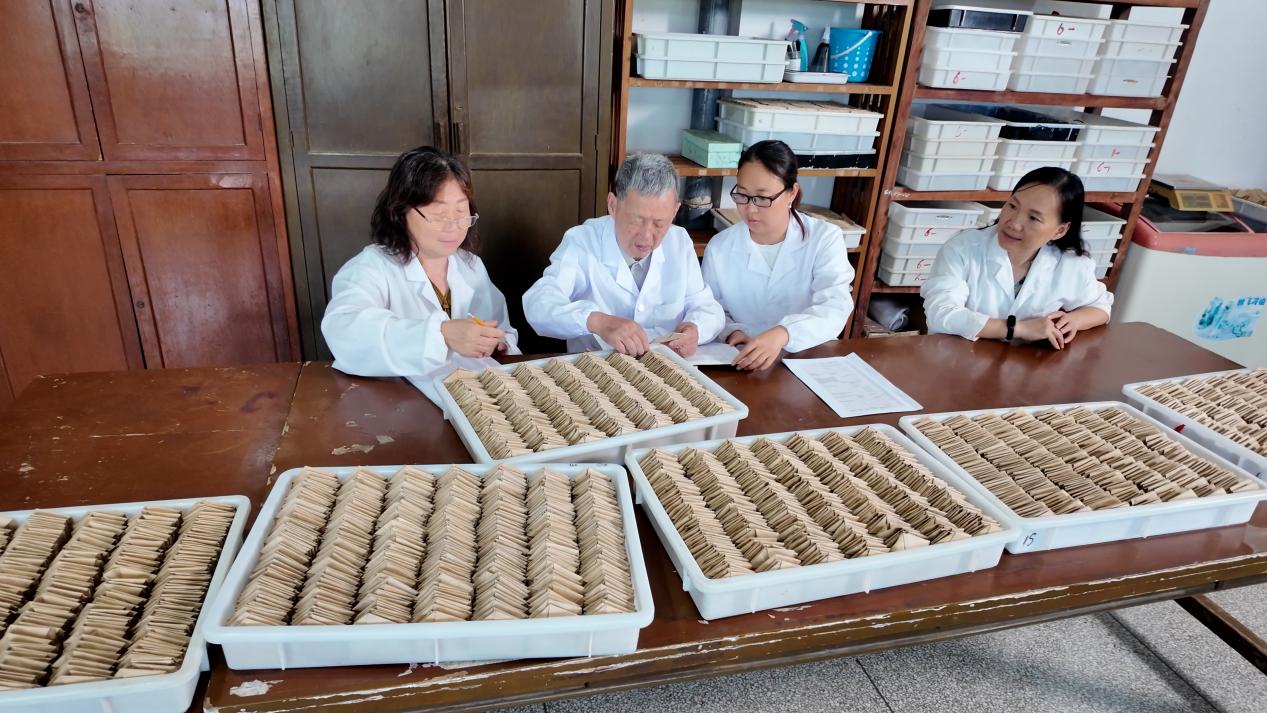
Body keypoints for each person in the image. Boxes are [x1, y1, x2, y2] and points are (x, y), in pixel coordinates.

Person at [321, 146, 519, 396]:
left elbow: (501, 329)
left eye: (461, 212)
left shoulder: (470, 265)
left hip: (471, 397)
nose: (453, 226)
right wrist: (441, 335)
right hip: (395, 402)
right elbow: (345, 333)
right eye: (438, 214)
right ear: (401, 210)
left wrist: (497, 344)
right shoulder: (371, 267)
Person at [522, 152, 724, 356]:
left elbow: (706, 307)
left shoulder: (679, 242)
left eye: (659, 223)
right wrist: (597, 321)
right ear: (613, 205)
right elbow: (538, 304)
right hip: (593, 369)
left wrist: (695, 328)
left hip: (664, 368)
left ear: (674, 211)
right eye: (637, 220)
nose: (646, 236)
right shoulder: (583, 241)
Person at [701, 140, 855, 370]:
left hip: (808, 357)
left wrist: (784, 333)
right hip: (744, 359)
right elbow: (711, 307)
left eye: (762, 198)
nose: (750, 208)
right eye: (742, 195)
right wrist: (732, 332)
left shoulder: (824, 238)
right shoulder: (720, 247)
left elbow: (834, 306)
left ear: (792, 192)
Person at [920, 166, 1112, 349]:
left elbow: (1100, 307)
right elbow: (941, 313)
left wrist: (1074, 320)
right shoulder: (963, 248)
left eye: (1033, 218)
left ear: (1059, 231)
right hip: (958, 361)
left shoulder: (1070, 264)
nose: (1014, 223)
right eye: (1012, 206)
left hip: (1026, 364)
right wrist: (1017, 329)